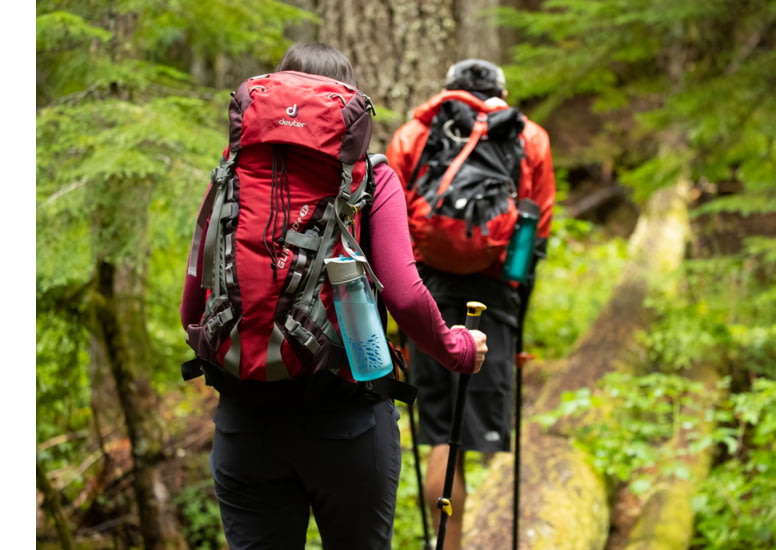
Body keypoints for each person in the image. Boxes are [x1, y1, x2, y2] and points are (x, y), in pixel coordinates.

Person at [180, 43, 488, 550]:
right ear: (345, 102)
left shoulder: (232, 176)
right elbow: (407, 298)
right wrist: (456, 349)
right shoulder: (370, 178)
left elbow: (192, 309)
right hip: (345, 421)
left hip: (245, 424)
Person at [386, 58, 555, 550]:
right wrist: (517, 315)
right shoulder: (531, 138)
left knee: (441, 433)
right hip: (496, 293)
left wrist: (401, 314)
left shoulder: (413, 135)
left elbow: (389, 227)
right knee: (471, 430)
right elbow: (535, 231)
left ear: (449, 91)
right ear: (501, 91)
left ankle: (447, 545)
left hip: (426, 293)